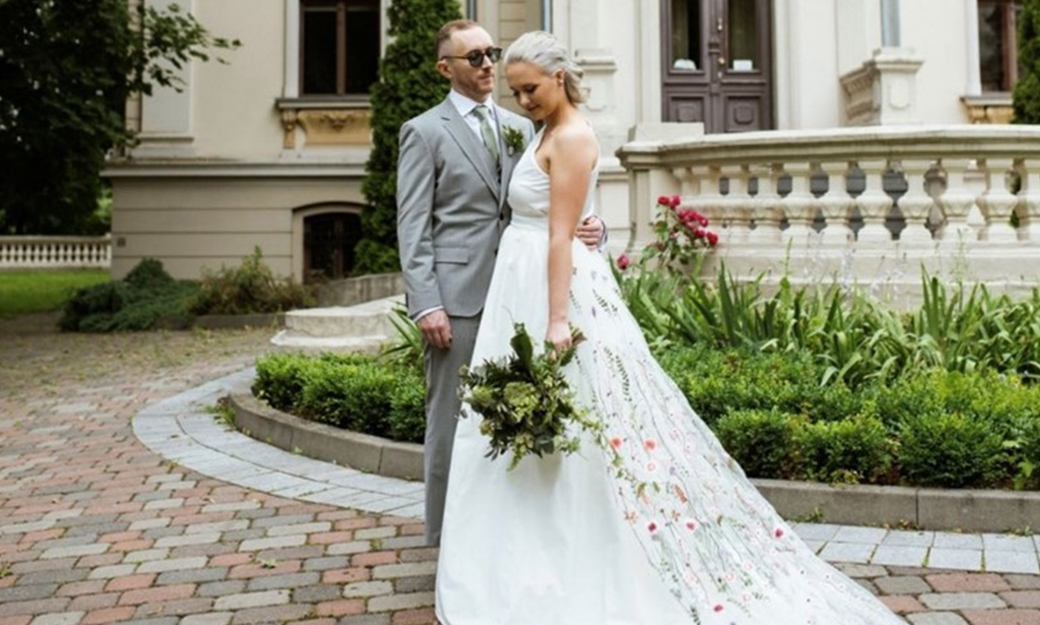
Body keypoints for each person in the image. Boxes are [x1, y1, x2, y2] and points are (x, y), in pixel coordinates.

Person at [433, 30, 907, 625]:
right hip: (521, 282)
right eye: (516, 90)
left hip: (553, 293)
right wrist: (592, 229)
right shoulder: (543, 131)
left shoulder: (573, 135)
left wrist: (556, 320)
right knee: (530, 421)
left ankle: (587, 557)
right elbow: (569, 216)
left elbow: (559, 233)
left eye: (530, 89)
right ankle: (518, 554)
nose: (522, 100)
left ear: (558, 78)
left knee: (577, 423)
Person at [395, 20, 604, 547]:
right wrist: (425, 303)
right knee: (452, 418)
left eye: (491, 53)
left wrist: (595, 227)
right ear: (447, 67)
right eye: (474, 57)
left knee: (518, 413)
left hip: (520, 291)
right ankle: (444, 538)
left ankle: (506, 537)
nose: (487, 64)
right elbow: (412, 224)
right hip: (457, 298)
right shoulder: (424, 131)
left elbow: (556, 200)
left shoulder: (523, 124)